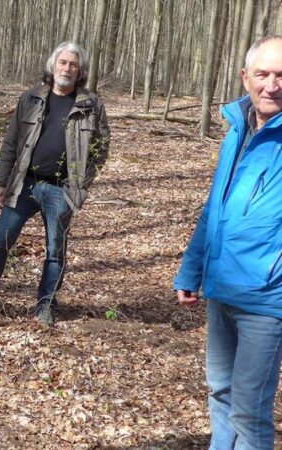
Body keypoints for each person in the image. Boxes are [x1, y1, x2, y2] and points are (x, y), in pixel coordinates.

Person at [174, 35, 282, 449]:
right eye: (262, 74)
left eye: (280, 75)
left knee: (250, 413)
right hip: (220, 290)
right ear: (245, 78)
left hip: (266, 300)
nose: (271, 85)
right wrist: (191, 268)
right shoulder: (237, 129)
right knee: (220, 394)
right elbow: (213, 209)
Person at [0, 41, 110, 327]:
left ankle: (45, 305)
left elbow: (100, 149)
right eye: (63, 62)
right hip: (24, 184)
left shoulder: (91, 105)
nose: (67, 68)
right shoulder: (31, 98)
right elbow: (10, 143)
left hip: (62, 189)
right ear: (53, 65)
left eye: (73, 64)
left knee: (55, 252)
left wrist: (80, 184)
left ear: (80, 71)